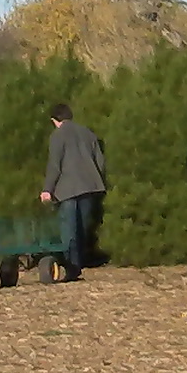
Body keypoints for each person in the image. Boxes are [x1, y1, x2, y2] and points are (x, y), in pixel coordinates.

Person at [41, 101, 106, 279]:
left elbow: (55, 165)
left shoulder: (58, 136)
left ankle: (72, 268)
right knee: (82, 228)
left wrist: (47, 189)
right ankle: (80, 263)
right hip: (90, 187)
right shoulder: (88, 133)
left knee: (69, 230)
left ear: (55, 120)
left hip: (67, 189)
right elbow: (100, 162)